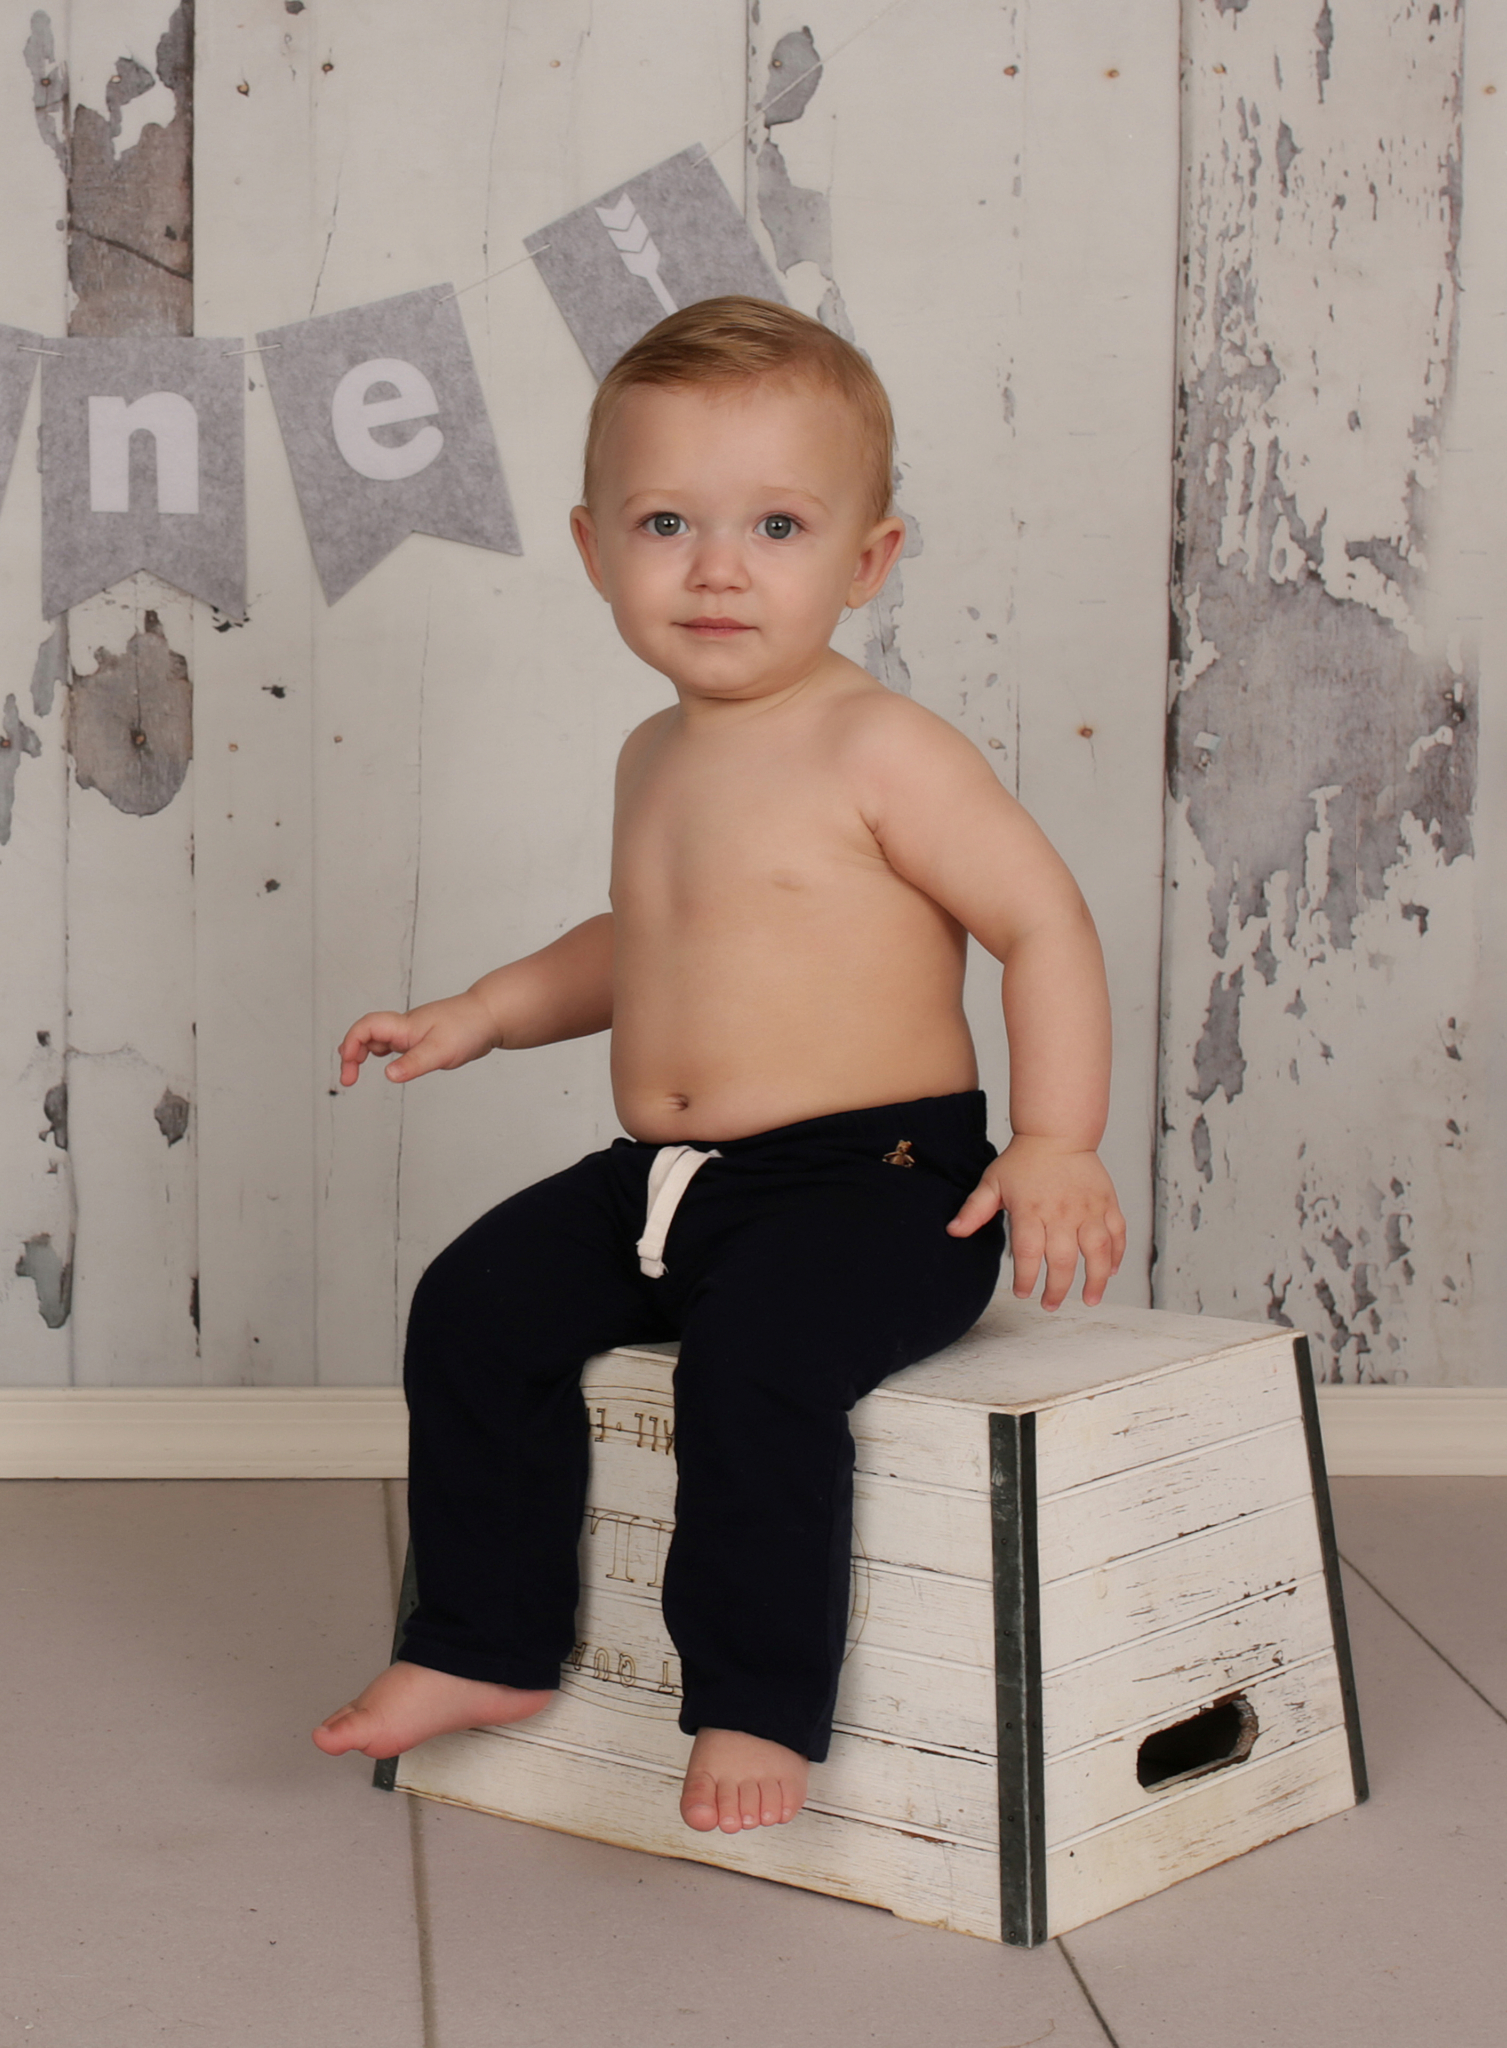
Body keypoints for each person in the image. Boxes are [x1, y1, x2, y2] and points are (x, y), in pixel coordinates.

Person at [312, 296, 1125, 1838]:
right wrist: (482, 1010)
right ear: (593, 545)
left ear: (866, 559)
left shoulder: (881, 748)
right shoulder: (655, 750)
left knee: (758, 1368)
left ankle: (756, 1703)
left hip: (879, 1185)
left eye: (777, 524)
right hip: (672, 1187)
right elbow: (648, 939)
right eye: (668, 520)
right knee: (474, 1308)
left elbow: (1042, 920)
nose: (716, 565)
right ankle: (483, 1644)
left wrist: (1058, 1135)